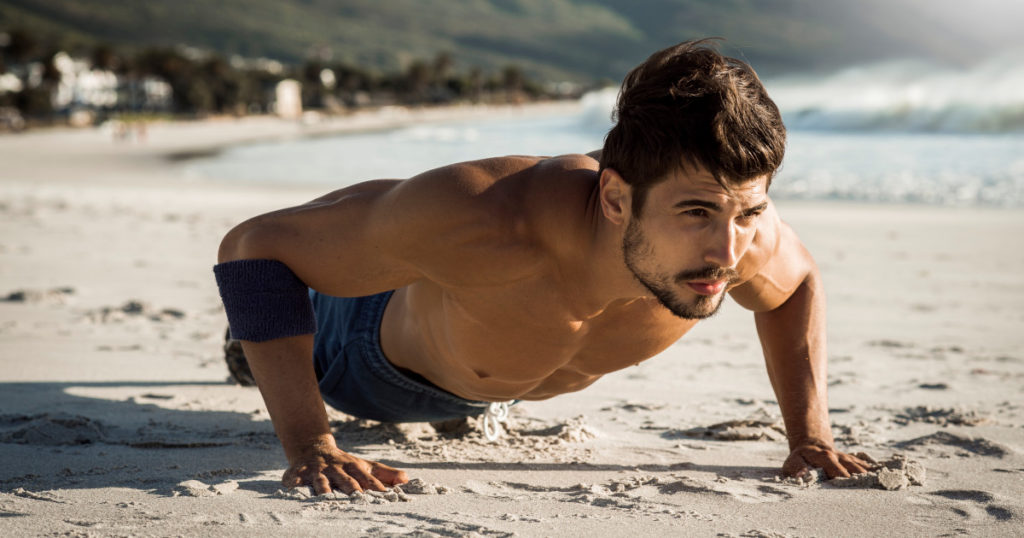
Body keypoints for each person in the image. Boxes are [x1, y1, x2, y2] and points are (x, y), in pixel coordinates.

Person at [214, 39, 871, 495]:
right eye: (695, 213)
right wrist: (310, 444)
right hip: (365, 353)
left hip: (485, 371)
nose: (729, 255)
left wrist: (809, 437)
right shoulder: (489, 218)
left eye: (748, 214)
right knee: (276, 327)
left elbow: (796, 284)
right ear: (616, 198)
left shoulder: (740, 232)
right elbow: (254, 248)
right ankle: (246, 352)